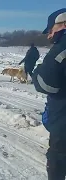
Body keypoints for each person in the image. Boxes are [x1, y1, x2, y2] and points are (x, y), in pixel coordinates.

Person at [31, 8, 66, 180]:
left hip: (63, 120)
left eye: (51, 30)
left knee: (58, 160)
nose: (49, 36)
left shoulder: (62, 49)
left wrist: (37, 72)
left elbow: (47, 84)